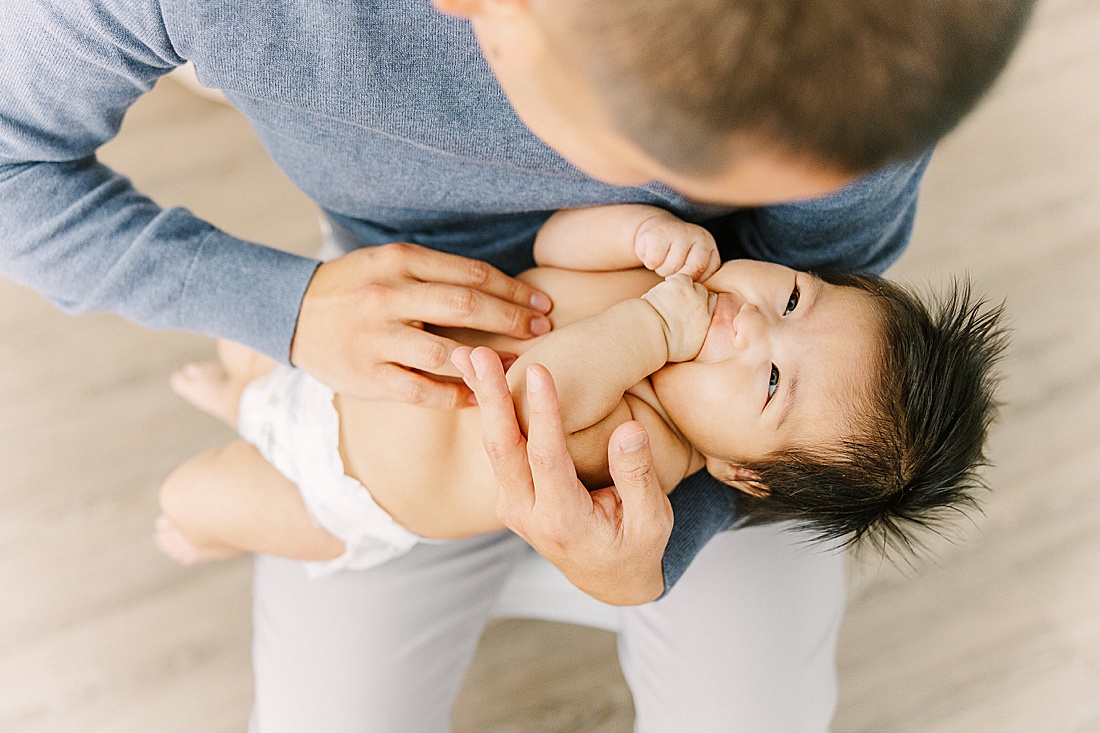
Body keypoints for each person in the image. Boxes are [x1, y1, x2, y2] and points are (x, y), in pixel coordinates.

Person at [0, 0, 1035, 729]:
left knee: (754, 708)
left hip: (669, 472)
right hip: (390, 364)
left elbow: (826, 286)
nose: (749, 311)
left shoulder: (864, 42)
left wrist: (645, 557)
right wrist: (288, 304)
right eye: (676, 162)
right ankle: (236, 433)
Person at [156, 204, 1004, 575]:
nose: (750, 323)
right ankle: (244, 393)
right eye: (791, 297)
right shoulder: (673, 268)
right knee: (242, 334)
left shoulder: (650, 443)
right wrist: (637, 231)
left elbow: (525, 399)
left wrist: (658, 328)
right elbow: (553, 245)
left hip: (340, 483)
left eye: (773, 380)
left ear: (743, 469)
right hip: (357, 359)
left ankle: (217, 503)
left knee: (191, 496)